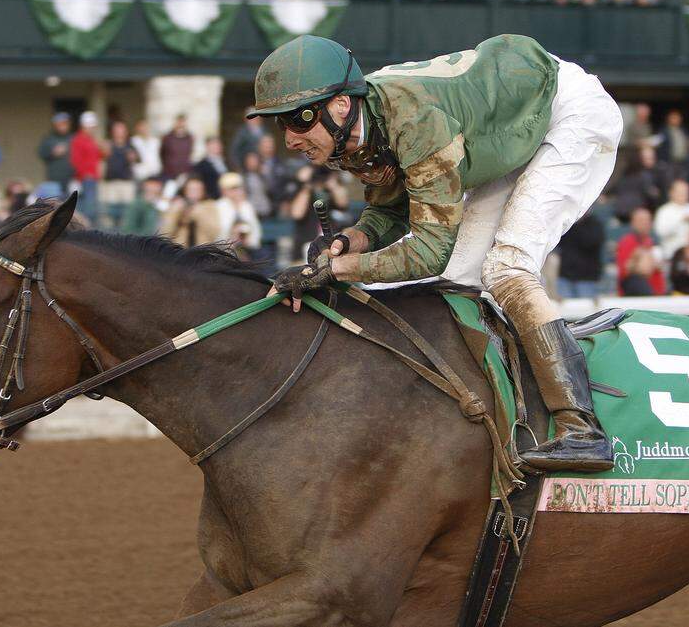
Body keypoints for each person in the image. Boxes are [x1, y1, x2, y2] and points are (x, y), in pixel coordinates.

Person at [251, 34, 624, 471]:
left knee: (506, 269)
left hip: (567, 112)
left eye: (297, 120)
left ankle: (581, 429)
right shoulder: (357, 126)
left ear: (338, 105)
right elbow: (392, 210)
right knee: (461, 279)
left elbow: (429, 251)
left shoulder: (414, 122)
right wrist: (351, 240)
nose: (290, 140)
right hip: (503, 127)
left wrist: (340, 269)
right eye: (282, 125)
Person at [615, 206, 665, 296]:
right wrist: (637, 259)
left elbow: (659, 266)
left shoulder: (652, 242)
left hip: (657, 293)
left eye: (648, 220)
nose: (645, 223)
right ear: (633, 223)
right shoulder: (627, 242)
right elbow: (625, 271)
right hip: (636, 294)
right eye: (641, 220)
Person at [556, 208, 604, 299]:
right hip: (565, 277)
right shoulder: (566, 224)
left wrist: (578, 224)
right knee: (565, 312)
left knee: (587, 312)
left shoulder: (595, 224)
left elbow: (590, 242)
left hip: (587, 278)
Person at [612, 145, 667, 221]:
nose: (650, 161)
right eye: (646, 158)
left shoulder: (660, 172)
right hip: (631, 214)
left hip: (649, 212)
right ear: (639, 158)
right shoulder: (634, 175)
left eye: (652, 158)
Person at [653, 179, 689, 260]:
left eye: (686, 191)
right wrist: (681, 220)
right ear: (671, 193)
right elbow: (661, 232)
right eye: (680, 191)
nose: (683, 194)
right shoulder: (664, 211)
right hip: (672, 255)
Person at [216, 172, 263, 259]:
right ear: (223, 190)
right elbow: (217, 236)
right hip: (223, 253)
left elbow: (256, 233)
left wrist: (248, 241)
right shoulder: (218, 206)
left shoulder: (246, 206)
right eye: (232, 189)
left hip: (247, 252)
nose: (237, 191)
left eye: (238, 188)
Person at [102, 120, 139, 229]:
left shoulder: (131, 146)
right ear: (112, 132)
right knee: (108, 215)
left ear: (126, 132)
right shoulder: (107, 145)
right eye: (116, 130)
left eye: (121, 130)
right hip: (110, 183)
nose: (119, 132)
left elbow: (138, 160)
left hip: (126, 183)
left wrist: (133, 157)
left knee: (127, 214)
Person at [70, 111, 105, 223]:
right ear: (84, 126)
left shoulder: (92, 140)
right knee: (88, 208)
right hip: (86, 178)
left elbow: (99, 156)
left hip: (93, 177)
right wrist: (84, 174)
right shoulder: (78, 140)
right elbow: (75, 160)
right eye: (91, 127)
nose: (93, 129)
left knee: (92, 206)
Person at [38, 112, 74, 199]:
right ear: (55, 125)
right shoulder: (49, 139)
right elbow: (41, 153)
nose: (62, 126)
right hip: (54, 179)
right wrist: (53, 152)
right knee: (55, 206)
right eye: (59, 124)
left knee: (71, 206)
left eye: (64, 123)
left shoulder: (74, 138)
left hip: (72, 178)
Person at [160, 114, 194, 180]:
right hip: (169, 172)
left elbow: (190, 154)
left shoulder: (190, 138)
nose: (181, 124)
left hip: (185, 171)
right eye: (179, 122)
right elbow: (162, 153)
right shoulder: (167, 138)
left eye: (183, 122)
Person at [241, 151, 273, 218]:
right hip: (253, 213)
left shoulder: (263, 176)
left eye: (255, 160)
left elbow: (270, 191)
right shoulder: (243, 177)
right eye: (250, 161)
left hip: (267, 211)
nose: (253, 163)